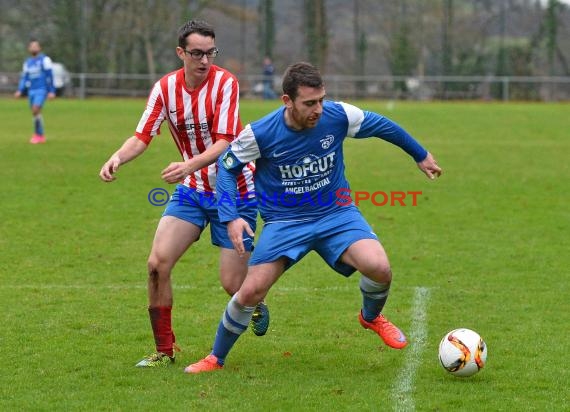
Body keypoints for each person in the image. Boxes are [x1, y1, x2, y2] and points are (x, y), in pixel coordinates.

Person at [185, 62, 442, 374]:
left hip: (337, 214)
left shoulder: (337, 115)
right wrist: (230, 217)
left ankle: (371, 317)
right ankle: (215, 358)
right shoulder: (261, 133)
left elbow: (382, 125)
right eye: (309, 103)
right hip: (285, 223)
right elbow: (226, 169)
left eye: (321, 99)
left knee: (379, 268)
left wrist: (420, 154)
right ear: (287, 101)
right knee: (251, 291)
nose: (318, 109)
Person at [98, 20, 269, 368]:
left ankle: (254, 300)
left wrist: (189, 165)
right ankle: (164, 351)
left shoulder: (225, 83)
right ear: (181, 53)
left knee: (233, 284)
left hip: (232, 191)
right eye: (197, 53)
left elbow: (225, 141)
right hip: (192, 192)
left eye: (210, 52)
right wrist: (118, 156)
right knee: (157, 265)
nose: (204, 60)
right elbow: (142, 135)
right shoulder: (164, 89)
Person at [14, 39, 56, 144]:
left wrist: (51, 91)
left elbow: (50, 76)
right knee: (35, 113)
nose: (34, 48)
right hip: (31, 91)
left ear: (39, 48)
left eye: (36, 46)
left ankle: (38, 135)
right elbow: (24, 78)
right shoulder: (27, 63)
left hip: (41, 90)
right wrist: (20, 90)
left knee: (35, 110)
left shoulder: (45, 60)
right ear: (29, 49)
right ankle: (39, 135)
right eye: (32, 46)